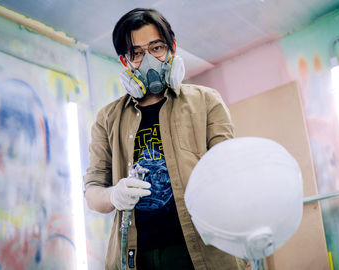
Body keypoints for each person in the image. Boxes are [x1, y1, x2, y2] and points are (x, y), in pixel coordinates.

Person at [84, 8, 246, 270]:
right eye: (136, 53)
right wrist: (114, 195)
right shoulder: (107, 118)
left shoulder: (206, 101)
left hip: (204, 251)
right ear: (125, 62)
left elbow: (229, 175)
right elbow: (92, 194)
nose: (148, 60)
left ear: (172, 49)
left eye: (156, 48)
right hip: (137, 256)